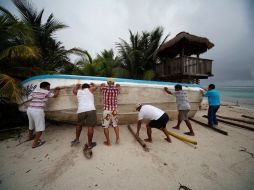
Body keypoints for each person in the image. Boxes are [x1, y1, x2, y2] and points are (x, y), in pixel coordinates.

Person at [27, 82, 60, 148]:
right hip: (37, 111)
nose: (49, 89)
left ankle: (30, 137)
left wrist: (51, 91)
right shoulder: (46, 92)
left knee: (31, 124)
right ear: (46, 87)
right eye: (49, 87)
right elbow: (55, 96)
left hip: (30, 109)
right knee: (40, 128)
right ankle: (35, 144)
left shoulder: (35, 91)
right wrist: (58, 90)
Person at [71, 83, 98, 150]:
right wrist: (92, 84)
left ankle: (77, 139)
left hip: (81, 110)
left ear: (82, 87)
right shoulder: (90, 89)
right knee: (90, 126)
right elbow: (96, 87)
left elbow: (74, 90)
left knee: (79, 124)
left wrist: (77, 85)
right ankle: (89, 144)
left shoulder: (78, 91)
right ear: (88, 87)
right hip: (90, 110)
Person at [100, 78, 120, 146]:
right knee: (115, 125)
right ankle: (117, 139)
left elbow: (101, 86)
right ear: (113, 83)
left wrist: (103, 85)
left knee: (105, 126)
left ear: (107, 83)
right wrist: (117, 86)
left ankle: (108, 142)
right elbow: (119, 88)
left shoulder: (104, 89)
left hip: (106, 110)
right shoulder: (116, 89)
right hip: (114, 110)